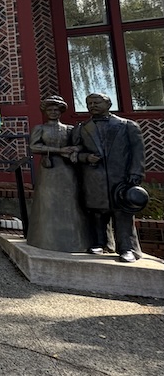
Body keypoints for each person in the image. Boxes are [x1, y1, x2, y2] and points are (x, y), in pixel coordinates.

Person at [72, 92, 145, 263]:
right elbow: (74, 152)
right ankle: (100, 243)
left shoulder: (128, 126)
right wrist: (85, 157)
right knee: (97, 213)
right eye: (89, 103)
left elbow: (138, 152)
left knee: (122, 214)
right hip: (94, 178)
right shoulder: (82, 128)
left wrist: (136, 173)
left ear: (108, 104)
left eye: (97, 102)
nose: (93, 105)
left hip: (120, 177)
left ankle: (127, 248)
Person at [26, 96, 91, 252]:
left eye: (56, 110)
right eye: (50, 110)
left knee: (71, 201)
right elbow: (34, 147)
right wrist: (59, 150)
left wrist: (76, 150)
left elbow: (80, 144)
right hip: (49, 170)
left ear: (61, 111)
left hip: (67, 169)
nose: (53, 112)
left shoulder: (70, 129)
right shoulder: (40, 129)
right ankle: (43, 237)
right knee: (47, 202)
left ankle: (74, 240)